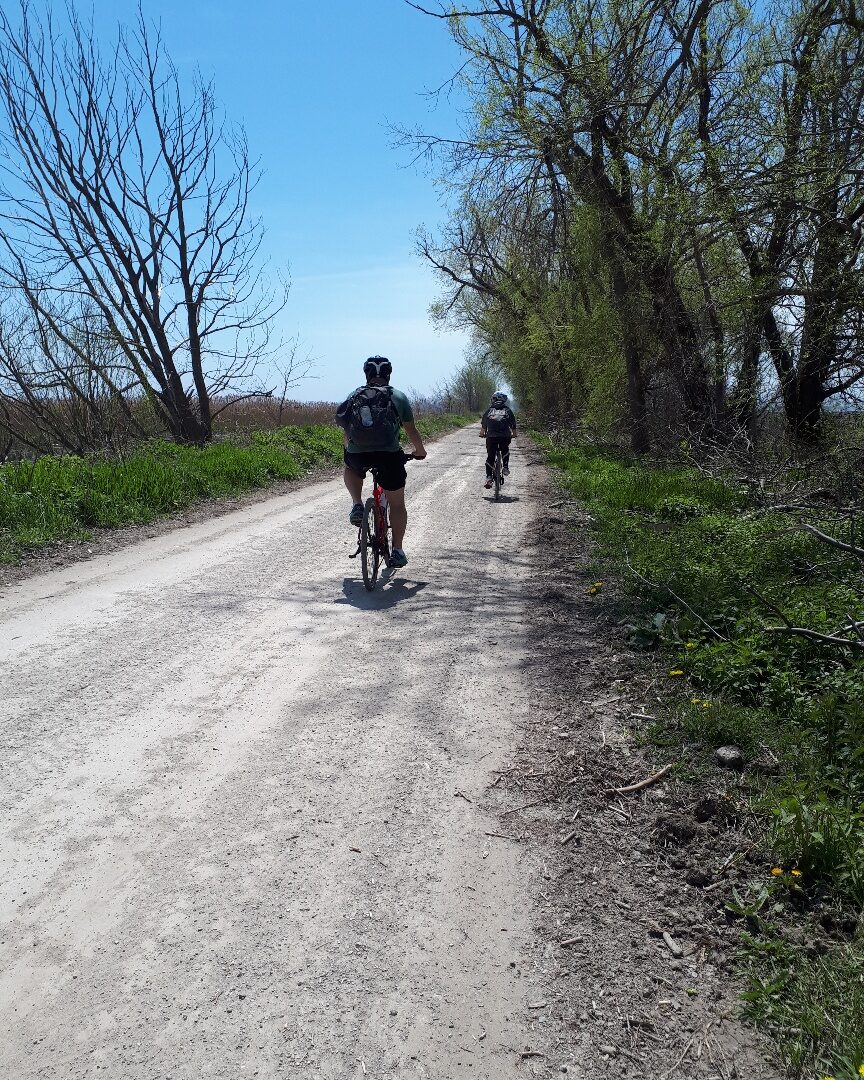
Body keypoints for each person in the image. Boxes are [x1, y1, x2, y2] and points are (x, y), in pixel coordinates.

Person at [335, 356, 427, 568]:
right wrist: (420, 451)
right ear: (388, 374)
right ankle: (397, 550)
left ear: (366, 374)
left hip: (359, 454)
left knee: (350, 467)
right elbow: (411, 430)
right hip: (389, 456)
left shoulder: (354, 395)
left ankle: (357, 504)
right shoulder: (398, 396)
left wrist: (351, 450)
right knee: (397, 504)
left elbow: (346, 429)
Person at [480, 392, 517, 488]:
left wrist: (482, 433)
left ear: (494, 399)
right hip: (505, 436)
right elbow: (513, 424)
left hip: (491, 437)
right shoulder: (507, 410)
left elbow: (484, 424)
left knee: (490, 457)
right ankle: (505, 466)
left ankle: (488, 478)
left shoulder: (489, 410)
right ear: (504, 400)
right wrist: (514, 434)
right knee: (505, 449)